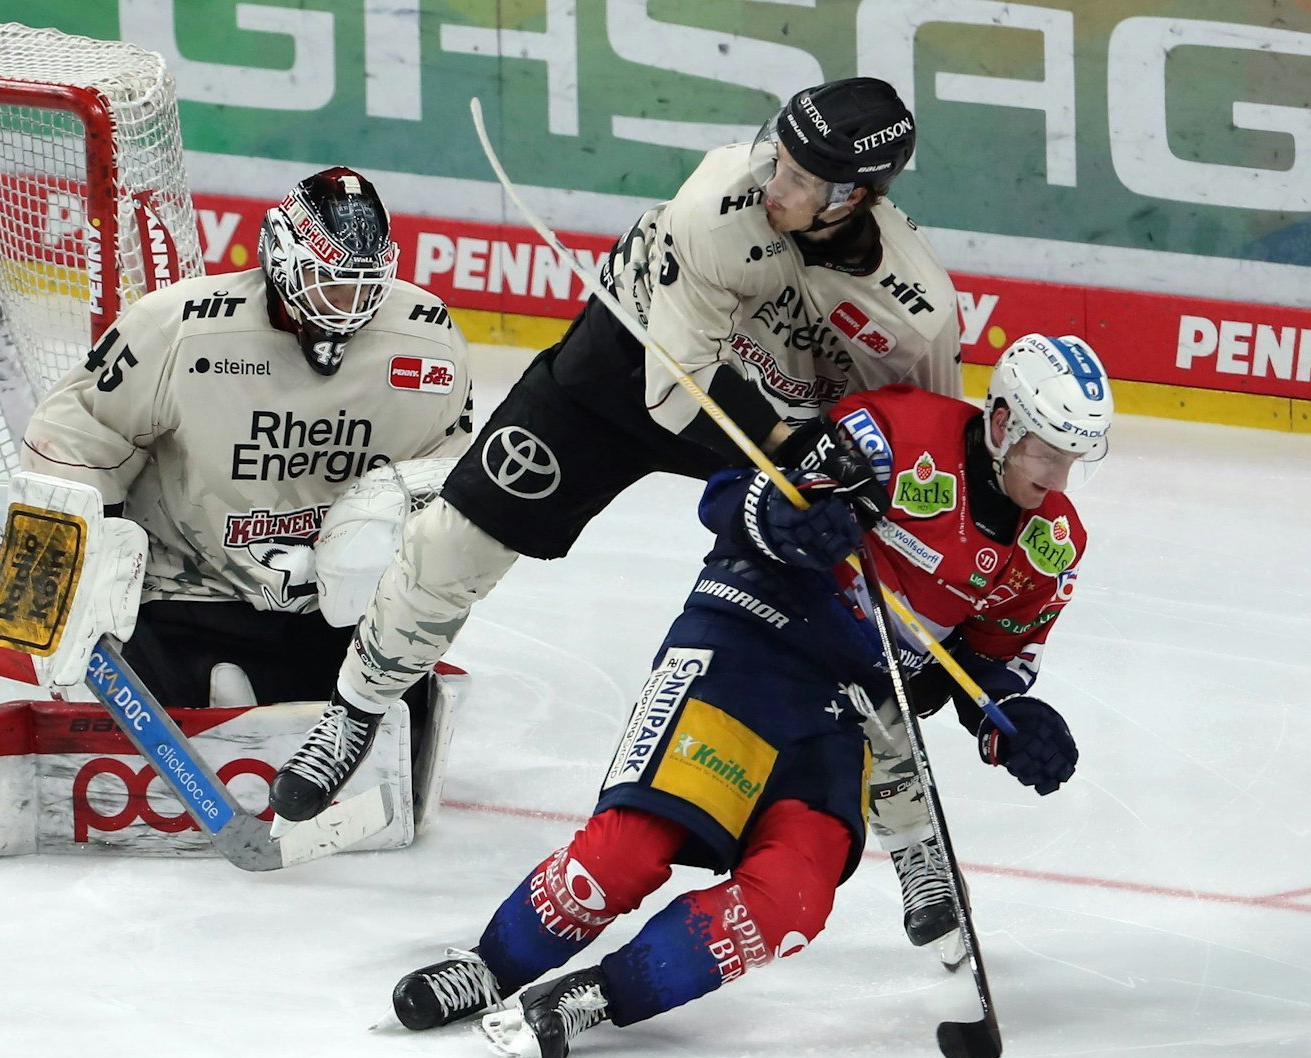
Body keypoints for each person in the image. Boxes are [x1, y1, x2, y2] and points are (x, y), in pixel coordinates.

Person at [383, 332, 1111, 1058]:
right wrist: (788, 523)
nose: (1055, 476)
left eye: (1070, 458)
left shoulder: (1055, 541)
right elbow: (730, 493)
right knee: (626, 853)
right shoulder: (895, 433)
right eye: (1044, 451)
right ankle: (488, 966)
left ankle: (596, 995)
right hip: (747, 640)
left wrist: (1010, 718)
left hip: (843, 706)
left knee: (797, 893)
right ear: (999, 424)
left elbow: (986, 656)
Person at [272, 76, 962, 823]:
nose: (770, 179)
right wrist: (793, 448)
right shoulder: (718, 206)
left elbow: (938, 459)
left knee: (856, 616)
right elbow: (677, 390)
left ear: (850, 198)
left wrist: (931, 617)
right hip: (624, 369)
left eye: (798, 176)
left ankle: (912, 840)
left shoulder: (917, 312)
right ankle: (356, 706)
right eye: (775, 153)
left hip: (778, 430)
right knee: (454, 535)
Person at [10, 165, 473, 712]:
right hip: (185, 593)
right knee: (155, 741)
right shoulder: (179, 327)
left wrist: (385, 560)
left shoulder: (428, 339)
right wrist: (53, 576)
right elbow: (75, 434)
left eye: (363, 287)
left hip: (335, 608)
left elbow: (448, 478)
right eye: (331, 282)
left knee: (376, 738)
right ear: (283, 255)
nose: (346, 305)